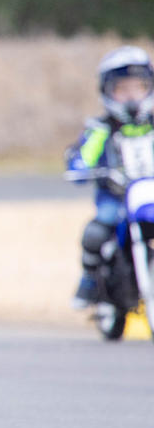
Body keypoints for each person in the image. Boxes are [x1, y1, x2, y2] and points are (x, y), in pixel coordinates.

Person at [65, 45, 154, 309]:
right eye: (122, 89)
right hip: (116, 198)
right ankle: (90, 280)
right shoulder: (101, 129)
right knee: (96, 231)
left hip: (148, 196)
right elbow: (83, 158)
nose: (130, 97)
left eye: (137, 88)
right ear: (109, 91)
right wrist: (83, 167)